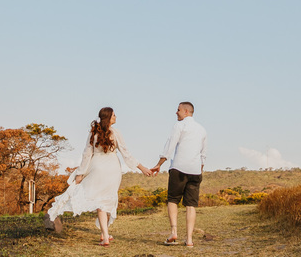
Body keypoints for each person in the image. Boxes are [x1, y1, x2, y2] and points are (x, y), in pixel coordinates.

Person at [44, 107, 153, 246]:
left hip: (97, 168)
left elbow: (86, 154)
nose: (116, 117)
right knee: (107, 200)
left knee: (101, 202)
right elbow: (127, 154)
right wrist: (143, 168)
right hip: (113, 169)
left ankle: (105, 235)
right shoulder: (116, 133)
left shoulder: (94, 132)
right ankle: (105, 234)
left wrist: (80, 173)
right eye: (113, 115)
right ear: (108, 117)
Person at [149, 101, 207, 247]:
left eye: (178, 110)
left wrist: (159, 164)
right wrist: (199, 169)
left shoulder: (179, 126)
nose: (176, 112)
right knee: (191, 205)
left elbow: (170, 146)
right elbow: (203, 154)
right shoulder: (202, 130)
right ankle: (189, 240)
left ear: (186, 111)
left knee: (173, 200)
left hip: (179, 169)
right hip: (195, 171)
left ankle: (174, 232)